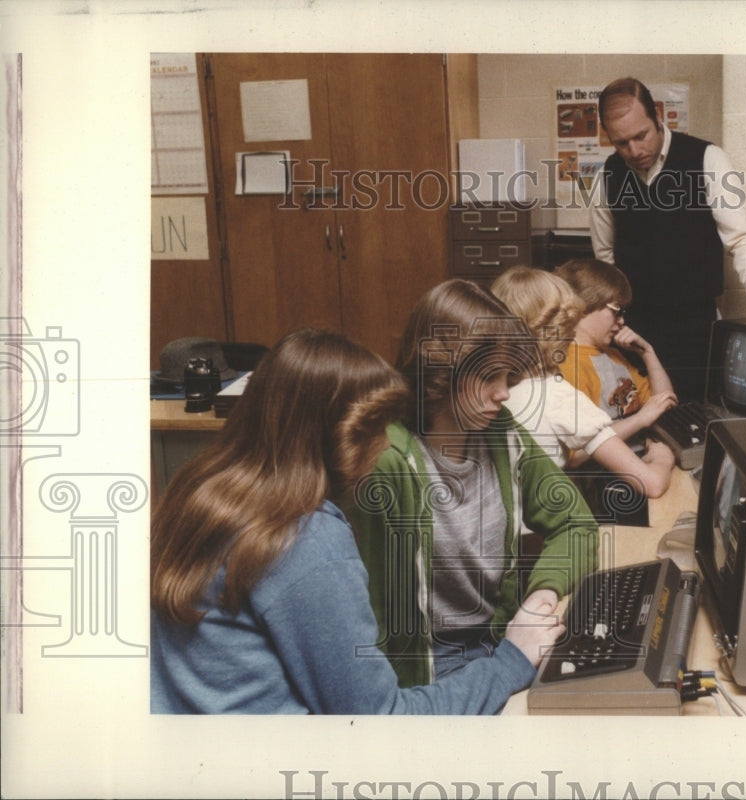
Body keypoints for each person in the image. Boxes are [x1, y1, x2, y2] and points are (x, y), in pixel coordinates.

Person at [150, 328, 564, 714]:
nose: (385, 443)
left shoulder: (197, 491)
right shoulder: (305, 540)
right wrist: (512, 659)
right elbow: (379, 721)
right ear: (341, 436)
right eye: (377, 429)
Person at [342, 279, 598, 686]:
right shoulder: (386, 460)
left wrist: (539, 599)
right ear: (440, 372)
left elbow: (577, 524)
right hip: (427, 668)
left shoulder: (501, 433)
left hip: (500, 640)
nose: (503, 393)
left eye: (507, 376)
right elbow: (364, 614)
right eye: (488, 377)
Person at [589, 76, 746, 402]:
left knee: (693, 419)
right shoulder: (606, 176)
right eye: (621, 143)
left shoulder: (707, 159)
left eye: (640, 136)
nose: (634, 150)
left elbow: (742, 238)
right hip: (634, 329)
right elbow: (605, 259)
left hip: (695, 330)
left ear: (657, 116)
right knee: (640, 422)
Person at [490, 265, 674, 499]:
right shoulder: (559, 394)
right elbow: (652, 485)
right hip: (593, 494)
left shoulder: (498, 389)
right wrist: (662, 457)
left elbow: (663, 402)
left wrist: (648, 353)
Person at [554, 258, 678, 447]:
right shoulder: (569, 365)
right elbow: (576, 452)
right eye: (616, 311)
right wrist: (640, 420)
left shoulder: (613, 355)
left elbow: (665, 404)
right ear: (584, 307)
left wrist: (648, 353)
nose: (621, 321)